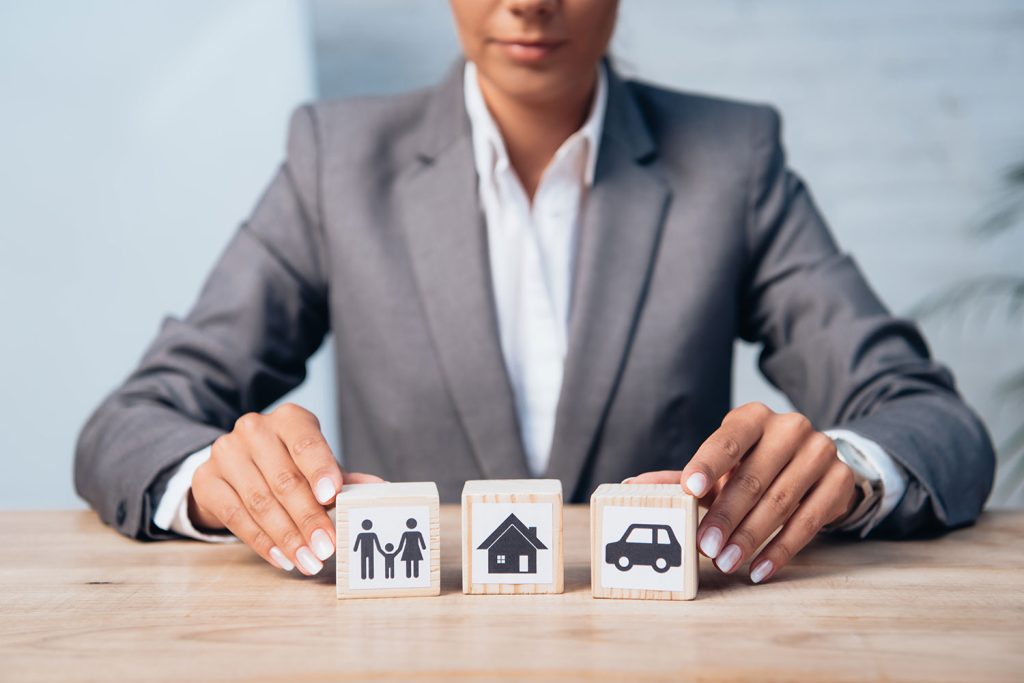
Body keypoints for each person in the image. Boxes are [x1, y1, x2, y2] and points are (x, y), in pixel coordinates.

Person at [75, 0, 995, 585]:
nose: (528, 1)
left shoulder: (733, 161)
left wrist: (845, 469)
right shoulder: (337, 162)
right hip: (407, 655)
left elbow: (931, 422)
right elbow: (133, 421)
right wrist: (214, 480)